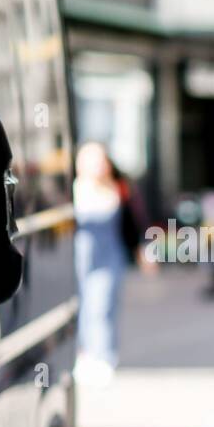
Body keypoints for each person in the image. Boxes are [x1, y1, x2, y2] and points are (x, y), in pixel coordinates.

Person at [72, 141, 142, 387]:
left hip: (109, 256)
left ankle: (103, 356)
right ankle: (84, 353)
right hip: (80, 257)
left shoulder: (118, 189)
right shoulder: (72, 190)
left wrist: (139, 250)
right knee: (81, 306)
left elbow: (131, 224)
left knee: (102, 306)